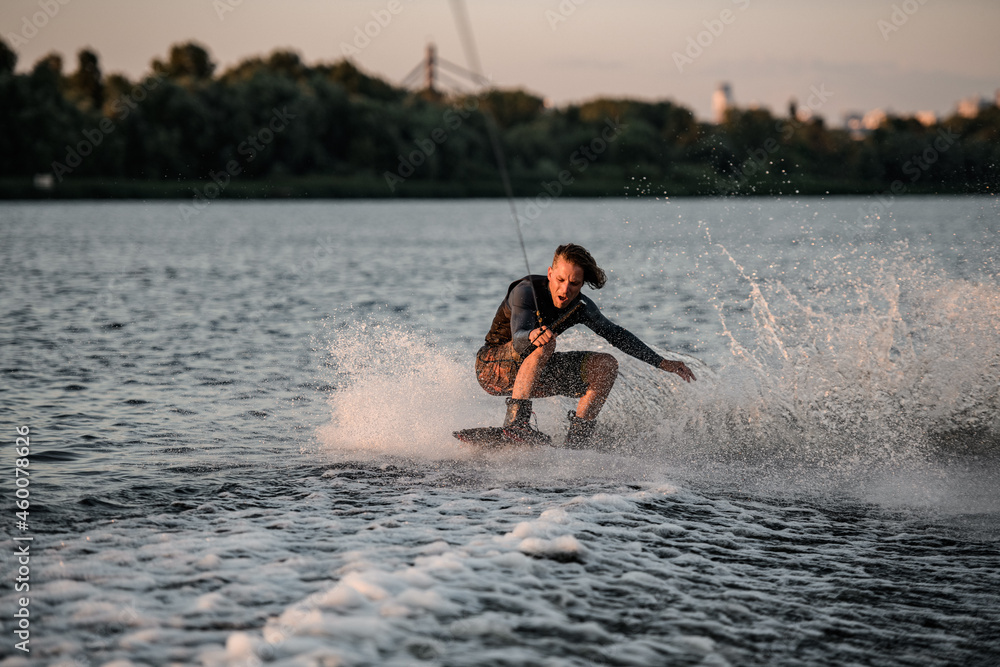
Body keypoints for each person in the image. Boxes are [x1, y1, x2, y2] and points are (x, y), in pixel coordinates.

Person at [475, 243, 695, 447]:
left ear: (582, 284)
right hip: (493, 368)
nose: (565, 290)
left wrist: (662, 362)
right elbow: (519, 336)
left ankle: (577, 443)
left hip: (535, 373)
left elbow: (617, 335)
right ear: (550, 273)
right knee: (546, 342)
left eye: (574, 284)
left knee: (606, 365)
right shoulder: (525, 291)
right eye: (560, 280)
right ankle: (516, 424)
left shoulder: (581, 306)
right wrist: (533, 334)